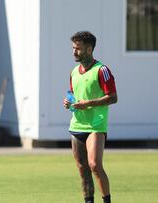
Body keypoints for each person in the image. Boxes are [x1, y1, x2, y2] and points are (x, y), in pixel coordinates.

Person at [63, 31, 118, 203]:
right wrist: (68, 102)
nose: (74, 52)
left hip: (95, 125)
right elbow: (73, 93)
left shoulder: (102, 70)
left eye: (77, 49)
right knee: (82, 168)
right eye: (73, 48)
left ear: (89, 49)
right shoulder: (73, 72)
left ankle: (107, 200)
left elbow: (113, 97)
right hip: (77, 125)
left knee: (94, 164)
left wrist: (88, 103)